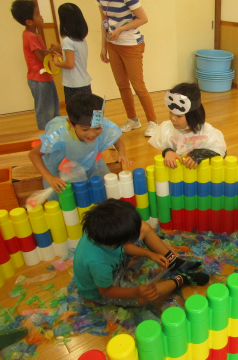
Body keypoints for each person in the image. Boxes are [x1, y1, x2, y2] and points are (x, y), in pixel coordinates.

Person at [74, 199, 209, 306]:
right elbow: (107, 291)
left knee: (143, 227)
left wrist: (150, 254)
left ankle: (174, 261)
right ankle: (183, 279)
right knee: (146, 296)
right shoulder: (98, 262)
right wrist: (136, 291)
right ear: (116, 241)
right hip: (102, 290)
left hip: (111, 265)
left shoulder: (101, 231)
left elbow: (123, 246)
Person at [29, 93, 131, 197]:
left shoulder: (101, 124)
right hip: (60, 169)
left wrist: (122, 154)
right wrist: (49, 177)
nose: (92, 134)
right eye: (85, 129)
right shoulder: (58, 136)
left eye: (97, 128)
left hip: (90, 162)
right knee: (65, 200)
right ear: (71, 124)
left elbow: (118, 142)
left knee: (103, 190)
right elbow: (34, 154)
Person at [97, 0, 158, 137]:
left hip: (130, 44)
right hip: (112, 44)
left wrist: (120, 29)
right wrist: (103, 46)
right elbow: (104, 21)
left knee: (138, 86)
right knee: (122, 85)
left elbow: (143, 18)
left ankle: (153, 122)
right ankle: (133, 119)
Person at [149, 83, 226, 169]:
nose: (173, 118)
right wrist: (168, 151)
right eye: (171, 112)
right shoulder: (167, 128)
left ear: (193, 116)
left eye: (179, 116)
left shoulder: (206, 132)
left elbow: (221, 151)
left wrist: (199, 154)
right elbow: (166, 146)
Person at [11, 0, 61, 130]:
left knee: (53, 107)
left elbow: (40, 53)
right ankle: (45, 137)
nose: (41, 16)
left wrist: (50, 50)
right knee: (45, 111)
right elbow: (40, 56)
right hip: (39, 80)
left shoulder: (33, 35)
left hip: (45, 78)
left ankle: (54, 132)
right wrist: (52, 50)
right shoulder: (30, 36)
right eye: (37, 14)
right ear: (29, 22)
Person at [53, 3, 92, 102]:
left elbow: (70, 64)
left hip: (73, 84)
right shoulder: (82, 40)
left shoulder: (67, 41)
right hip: (84, 82)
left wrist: (57, 62)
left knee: (74, 110)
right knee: (85, 110)